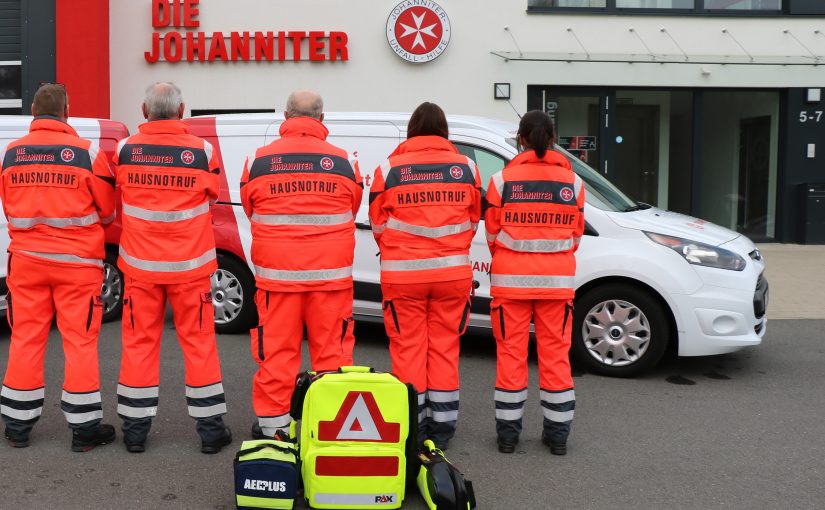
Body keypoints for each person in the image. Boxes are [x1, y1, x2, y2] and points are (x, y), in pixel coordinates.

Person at [113, 82, 231, 454]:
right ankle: (211, 432)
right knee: (198, 346)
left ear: (145, 112)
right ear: (182, 112)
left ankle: (135, 431)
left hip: (140, 268)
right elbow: (211, 193)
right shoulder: (204, 151)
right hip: (190, 268)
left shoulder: (125, 149)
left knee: (138, 345)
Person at [0, 83, 117, 451]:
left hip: (27, 263)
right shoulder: (88, 153)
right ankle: (84, 431)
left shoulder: (10, 154)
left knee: (24, 340)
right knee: (79, 343)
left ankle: (17, 426)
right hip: (77, 266)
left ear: (33, 109)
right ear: (67, 110)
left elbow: (9, 205)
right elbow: (108, 211)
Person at [241, 90, 362, 438]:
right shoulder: (344, 162)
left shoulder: (259, 162)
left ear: (285, 116)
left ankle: (274, 431)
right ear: (323, 119)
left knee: (277, 355)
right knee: (333, 357)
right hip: (331, 280)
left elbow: (251, 208)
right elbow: (352, 207)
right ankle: (330, 430)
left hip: (277, 281)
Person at [369, 102, 482, 449]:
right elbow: (474, 218)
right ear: (445, 130)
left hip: (404, 276)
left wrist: (400, 247)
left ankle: (411, 426)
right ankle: (443, 430)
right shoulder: (467, 168)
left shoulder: (389, 169)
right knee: (445, 349)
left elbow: (376, 224)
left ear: (412, 130)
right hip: (452, 274)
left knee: (408, 349)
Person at [484, 110, 585, 456]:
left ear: (521, 139)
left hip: (510, 285)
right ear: (553, 138)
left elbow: (493, 234)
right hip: (556, 285)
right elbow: (574, 237)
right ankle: (557, 437)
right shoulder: (573, 184)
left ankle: (508, 437)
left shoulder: (501, 182)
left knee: (511, 356)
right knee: (556, 357)